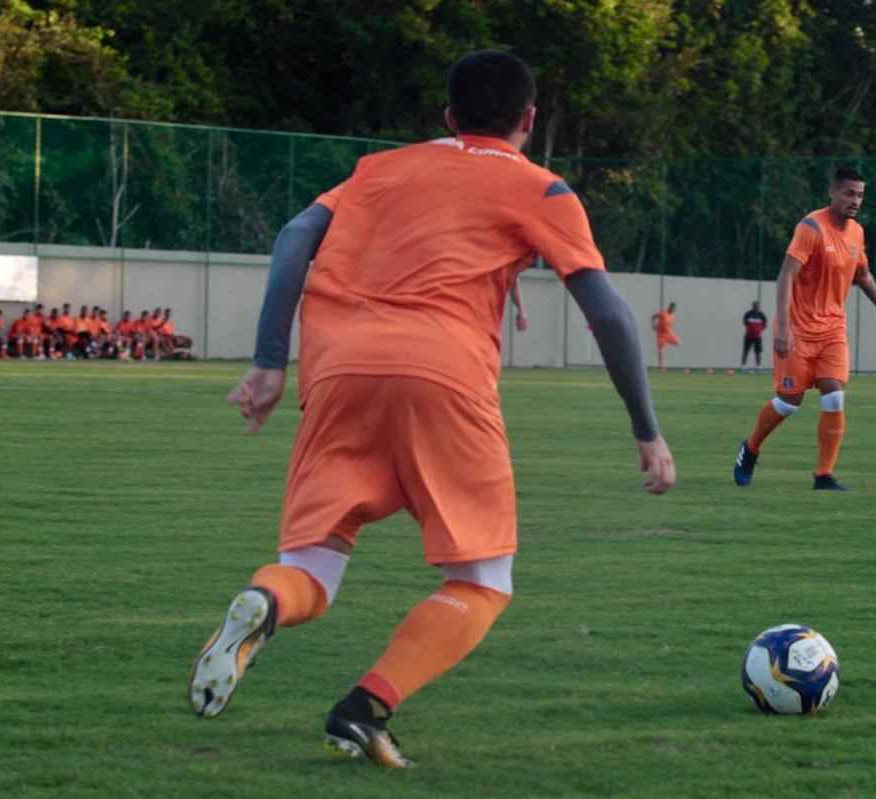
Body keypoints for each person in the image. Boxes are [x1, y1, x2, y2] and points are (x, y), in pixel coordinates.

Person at [187, 49, 675, 768]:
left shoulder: (378, 169)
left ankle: (266, 599)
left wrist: (267, 362)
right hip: (444, 375)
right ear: (530, 120)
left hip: (338, 371)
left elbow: (294, 239)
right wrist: (647, 430)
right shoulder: (542, 188)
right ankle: (366, 705)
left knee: (311, 570)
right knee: (483, 579)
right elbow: (607, 312)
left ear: (446, 117)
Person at [733, 167, 876, 491]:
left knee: (834, 396)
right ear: (833, 193)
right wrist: (782, 327)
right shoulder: (811, 228)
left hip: (833, 330)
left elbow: (862, 275)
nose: (855, 201)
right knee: (787, 403)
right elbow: (786, 276)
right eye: (849, 193)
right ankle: (750, 449)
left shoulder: (857, 233)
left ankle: (824, 475)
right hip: (798, 330)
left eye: (860, 195)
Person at [651, 302, 680, 370]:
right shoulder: (663, 313)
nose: (672, 309)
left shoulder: (672, 316)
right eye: (671, 307)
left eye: (674, 308)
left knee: (678, 343)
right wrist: (653, 325)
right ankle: (661, 367)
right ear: (669, 307)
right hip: (661, 335)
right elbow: (654, 316)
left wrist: (669, 331)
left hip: (668, 334)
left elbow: (669, 325)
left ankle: (667, 344)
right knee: (661, 351)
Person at [741, 300, 767, 369]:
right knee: (745, 351)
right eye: (754, 305)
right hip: (748, 336)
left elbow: (764, 325)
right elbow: (745, 323)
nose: (756, 306)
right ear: (752, 306)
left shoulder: (762, 315)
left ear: (759, 306)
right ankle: (743, 366)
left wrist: (758, 331)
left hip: (758, 337)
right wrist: (751, 329)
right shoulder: (748, 314)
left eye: (757, 305)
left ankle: (758, 366)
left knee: (758, 352)